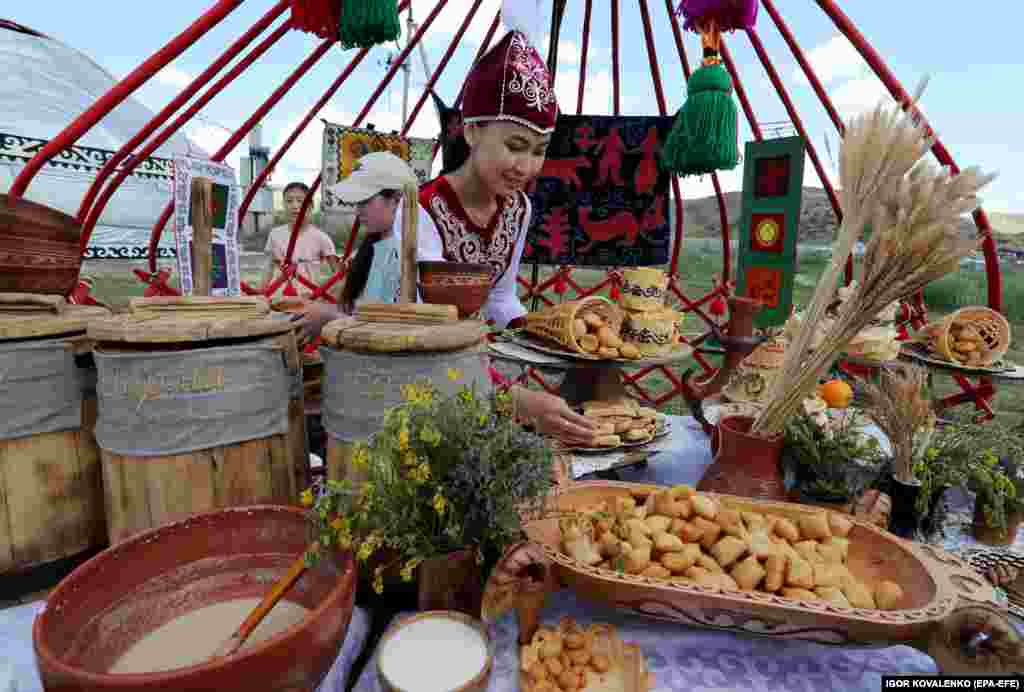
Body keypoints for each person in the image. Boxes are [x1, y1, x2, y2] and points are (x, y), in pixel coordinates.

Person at [300, 22, 597, 444]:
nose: (527, 167)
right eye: (515, 146)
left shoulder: (520, 208)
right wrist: (513, 400)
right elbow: (425, 333)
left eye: (539, 150)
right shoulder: (420, 211)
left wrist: (545, 330)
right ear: (472, 130)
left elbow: (499, 296)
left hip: (474, 374)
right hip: (410, 371)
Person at [332, 152, 413, 314]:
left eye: (364, 201)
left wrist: (328, 316)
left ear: (396, 200)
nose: (358, 211)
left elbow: (387, 324)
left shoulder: (406, 255)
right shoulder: (375, 248)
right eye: (357, 202)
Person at [263, 181, 341, 297]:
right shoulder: (275, 234)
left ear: (311, 206)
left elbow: (338, 275)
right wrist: (260, 295)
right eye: (289, 201)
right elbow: (268, 270)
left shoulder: (321, 238)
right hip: (278, 301)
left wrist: (325, 297)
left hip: (308, 303)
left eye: (300, 201)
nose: (295, 206)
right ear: (283, 205)